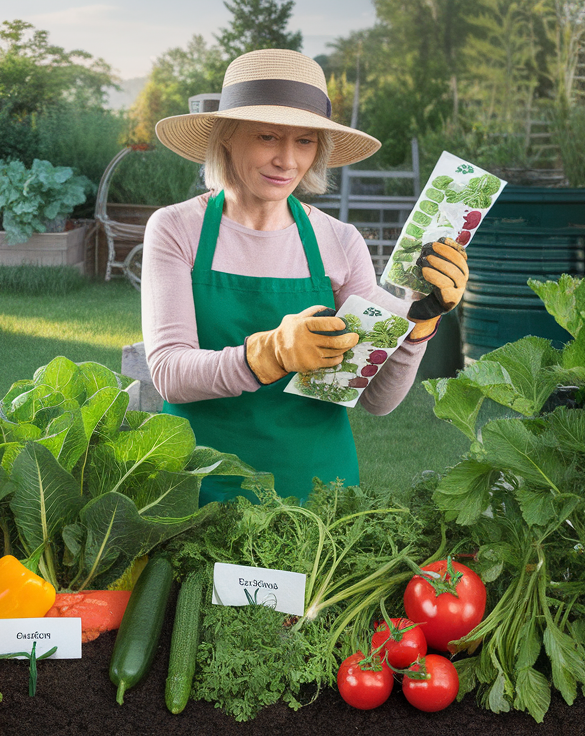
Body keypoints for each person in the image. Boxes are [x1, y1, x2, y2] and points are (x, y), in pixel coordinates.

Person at [142, 49, 468, 504]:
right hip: (201, 484)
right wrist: (270, 353)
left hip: (317, 490)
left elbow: (378, 401)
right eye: (268, 136)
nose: (287, 160)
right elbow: (170, 372)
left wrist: (423, 321)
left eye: (304, 142)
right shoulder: (177, 229)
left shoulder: (339, 240)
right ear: (227, 138)